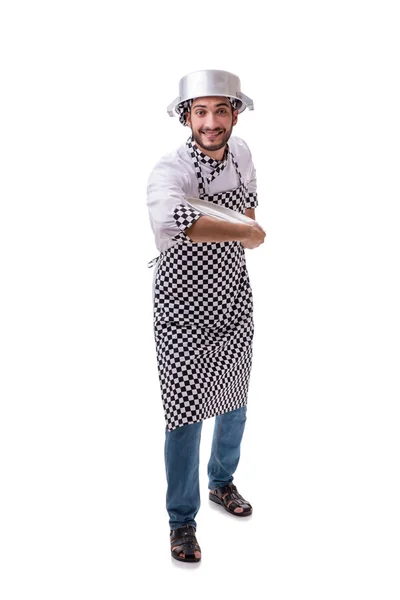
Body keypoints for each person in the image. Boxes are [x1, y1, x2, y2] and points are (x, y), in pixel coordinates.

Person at [146, 69, 265, 563]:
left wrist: (237, 226)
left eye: (221, 110)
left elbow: (250, 207)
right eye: (200, 112)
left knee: (234, 400)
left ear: (235, 113)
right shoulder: (168, 170)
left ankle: (221, 483)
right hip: (181, 308)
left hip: (232, 297)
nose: (211, 122)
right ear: (186, 117)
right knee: (185, 415)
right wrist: (243, 232)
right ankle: (181, 521)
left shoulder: (242, 156)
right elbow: (179, 222)